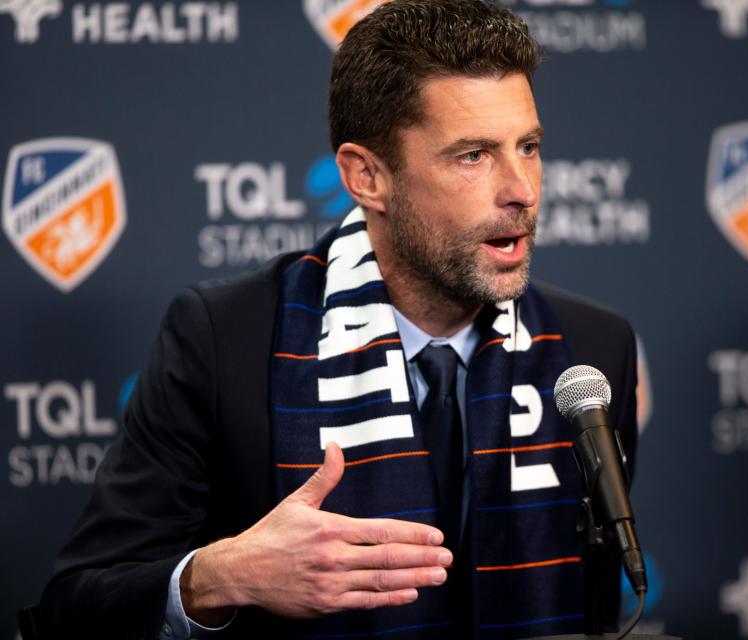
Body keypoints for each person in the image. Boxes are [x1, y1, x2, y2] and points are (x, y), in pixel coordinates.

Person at [36, 1, 640, 638]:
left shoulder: (592, 352)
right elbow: (72, 609)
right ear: (366, 176)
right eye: (473, 156)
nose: (523, 188)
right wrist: (221, 576)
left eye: (529, 146)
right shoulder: (225, 339)